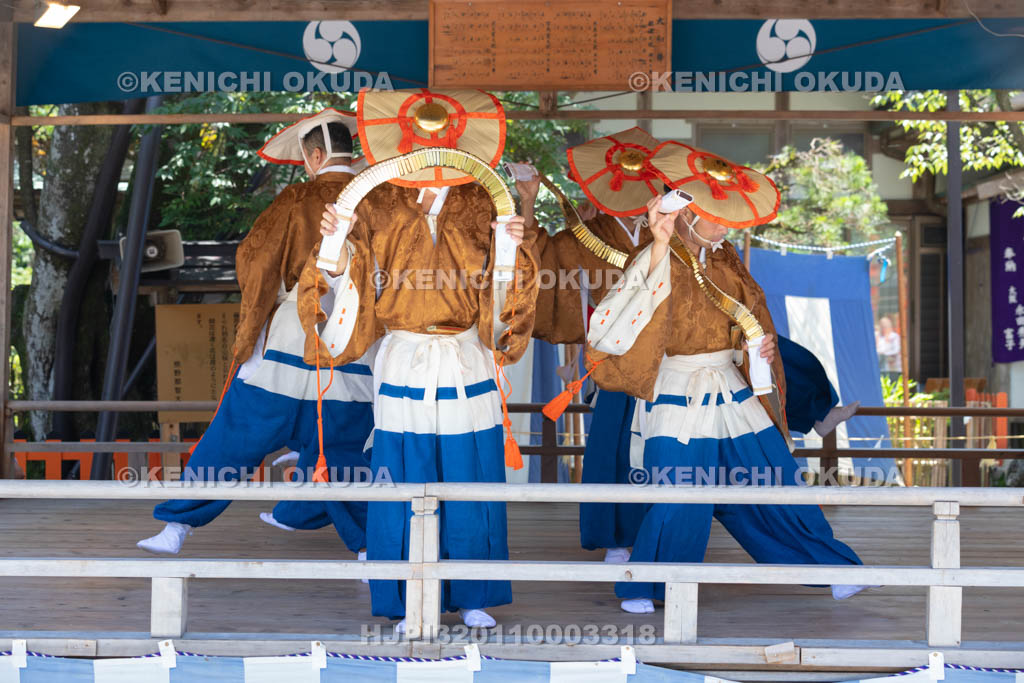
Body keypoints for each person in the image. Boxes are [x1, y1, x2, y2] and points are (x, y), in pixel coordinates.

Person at [584, 142, 866, 615]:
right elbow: (615, 324)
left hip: (730, 388)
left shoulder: (727, 260)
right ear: (687, 212)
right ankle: (646, 587)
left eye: (726, 216)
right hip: (676, 390)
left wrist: (758, 349)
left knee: (773, 477)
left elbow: (750, 320)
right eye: (713, 214)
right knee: (681, 493)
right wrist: (657, 242)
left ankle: (829, 568)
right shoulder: (654, 256)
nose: (722, 224)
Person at [297, 89, 539, 631]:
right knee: (403, 478)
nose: (431, 150)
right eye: (420, 141)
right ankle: (407, 598)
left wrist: (512, 246)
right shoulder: (376, 201)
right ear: (401, 142)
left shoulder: (482, 199)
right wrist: (334, 243)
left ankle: (475, 592)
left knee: (471, 475)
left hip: (465, 355)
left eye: (442, 140)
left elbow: (510, 289)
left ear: (460, 142)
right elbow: (337, 274)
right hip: (404, 354)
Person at [137, 111, 375, 560]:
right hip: (355, 343)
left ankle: (177, 526)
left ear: (316, 156)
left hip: (289, 338)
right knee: (342, 449)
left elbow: (257, 259)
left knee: (236, 433)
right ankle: (367, 553)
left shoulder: (297, 197)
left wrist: (252, 324)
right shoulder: (380, 201)